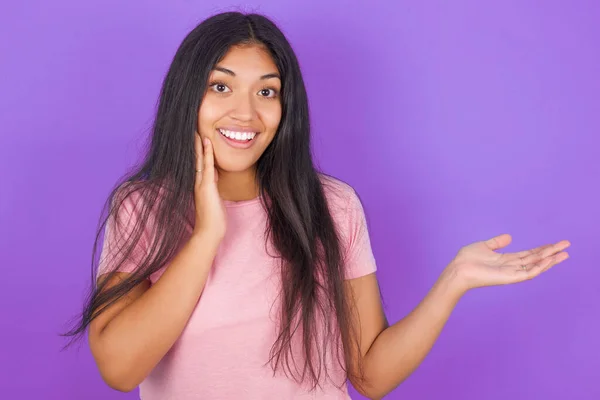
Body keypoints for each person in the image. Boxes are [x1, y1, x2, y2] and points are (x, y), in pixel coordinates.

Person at [63, 11, 571, 400]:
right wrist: (206, 237)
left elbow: (370, 375)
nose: (246, 112)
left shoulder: (333, 206)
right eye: (221, 87)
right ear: (187, 96)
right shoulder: (141, 208)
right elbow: (120, 368)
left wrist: (453, 281)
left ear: (286, 110)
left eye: (268, 92)